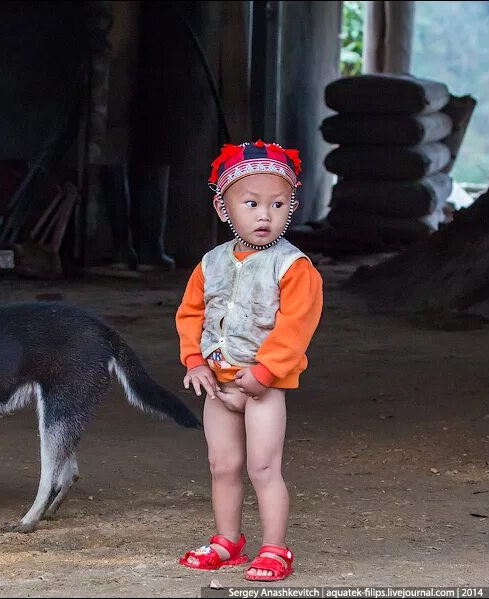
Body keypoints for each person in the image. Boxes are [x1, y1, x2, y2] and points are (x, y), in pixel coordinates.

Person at [175, 140, 323, 582]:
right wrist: (193, 361)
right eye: (252, 203)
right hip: (218, 387)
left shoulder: (293, 267)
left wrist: (264, 372)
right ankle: (228, 541)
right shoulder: (210, 263)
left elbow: (296, 326)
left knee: (263, 468)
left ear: (291, 207)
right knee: (222, 466)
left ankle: (275, 549)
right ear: (223, 209)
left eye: (277, 204)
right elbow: (191, 314)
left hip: (262, 389)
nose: (265, 215)